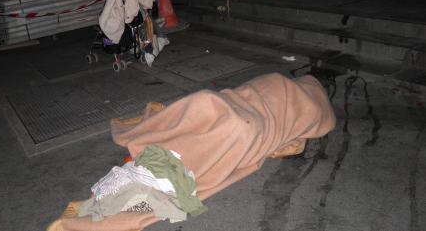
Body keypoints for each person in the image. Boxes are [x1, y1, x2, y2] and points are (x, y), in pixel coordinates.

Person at [48, 72, 336, 231]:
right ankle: (169, 160)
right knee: (211, 106)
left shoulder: (308, 102)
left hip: (255, 121)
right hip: (247, 104)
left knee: (237, 128)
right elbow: (253, 91)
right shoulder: (280, 80)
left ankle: (168, 164)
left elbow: (305, 119)